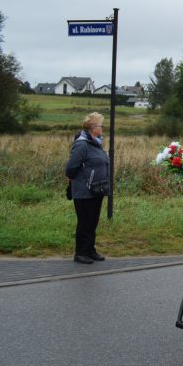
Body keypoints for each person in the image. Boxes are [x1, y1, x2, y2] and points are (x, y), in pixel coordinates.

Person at [65, 112, 110, 264]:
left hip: (97, 190)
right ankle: (80, 253)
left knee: (92, 222)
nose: (102, 128)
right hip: (84, 191)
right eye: (100, 125)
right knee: (84, 222)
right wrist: (84, 180)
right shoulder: (82, 144)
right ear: (92, 128)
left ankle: (90, 250)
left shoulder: (96, 143)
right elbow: (71, 168)